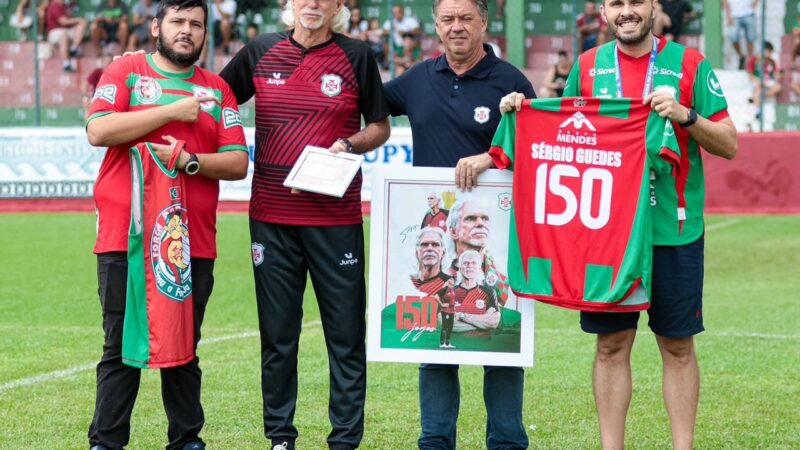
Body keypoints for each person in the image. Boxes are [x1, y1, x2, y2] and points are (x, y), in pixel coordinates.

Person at [502, 0, 737, 448]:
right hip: (608, 235)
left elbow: (729, 143)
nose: (626, 11)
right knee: (610, 346)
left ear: (653, 7)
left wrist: (687, 115)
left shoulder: (689, 63)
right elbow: (565, 131)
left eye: (635, 2)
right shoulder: (588, 65)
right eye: (616, 4)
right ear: (604, 13)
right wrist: (522, 109)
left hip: (673, 230)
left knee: (677, 346)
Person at [218, 1, 391, 449]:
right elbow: (213, 97)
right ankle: (280, 438)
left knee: (346, 338)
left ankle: (344, 441)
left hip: (336, 221)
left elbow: (379, 127)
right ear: (289, 4)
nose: (312, 3)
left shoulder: (356, 55)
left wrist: (348, 144)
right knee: (278, 338)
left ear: (337, 6)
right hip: (271, 219)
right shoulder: (259, 51)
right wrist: (147, 69)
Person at [84, 0, 249, 448]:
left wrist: (190, 161)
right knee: (119, 344)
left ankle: (187, 440)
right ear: (156, 26)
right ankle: (106, 441)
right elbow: (98, 130)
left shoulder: (217, 90)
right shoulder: (126, 72)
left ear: (205, 33)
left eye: (196, 24)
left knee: (185, 345)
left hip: (190, 240)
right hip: (126, 235)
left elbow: (238, 162)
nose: (186, 30)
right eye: (177, 21)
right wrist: (171, 112)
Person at [383, 0, 535, 447]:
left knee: (502, 347)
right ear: (435, 25)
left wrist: (491, 157)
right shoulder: (417, 79)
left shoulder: (510, 82)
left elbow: (537, 145)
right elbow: (366, 105)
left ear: (484, 23)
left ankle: (507, 442)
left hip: (499, 236)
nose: (457, 27)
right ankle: (434, 442)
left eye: (466, 18)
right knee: (436, 344)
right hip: (443, 235)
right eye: (447, 19)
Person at [45, 0, 88, 72]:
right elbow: (63, 21)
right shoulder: (54, 5)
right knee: (63, 35)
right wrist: (78, 19)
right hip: (55, 32)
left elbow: (69, 21)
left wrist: (79, 21)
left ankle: (74, 48)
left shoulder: (65, 5)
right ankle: (66, 63)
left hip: (66, 30)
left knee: (81, 24)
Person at [747, 40, 781, 117]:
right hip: (757, 80)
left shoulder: (772, 61)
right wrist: (756, 79)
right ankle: (757, 111)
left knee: (778, 87)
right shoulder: (755, 59)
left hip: (767, 81)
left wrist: (778, 74)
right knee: (758, 86)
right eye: (768, 51)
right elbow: (750, 74)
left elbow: (776, 74)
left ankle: (761, 97)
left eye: (770, 52)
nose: (769, 54)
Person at [722, 0, 758, 70]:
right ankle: (741, 56)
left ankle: (750, 63)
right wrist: (728, 15)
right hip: (734, 15)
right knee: (733, 37)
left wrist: (755, 4)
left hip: (749, 13)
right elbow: (725, 1)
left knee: (750, 39)